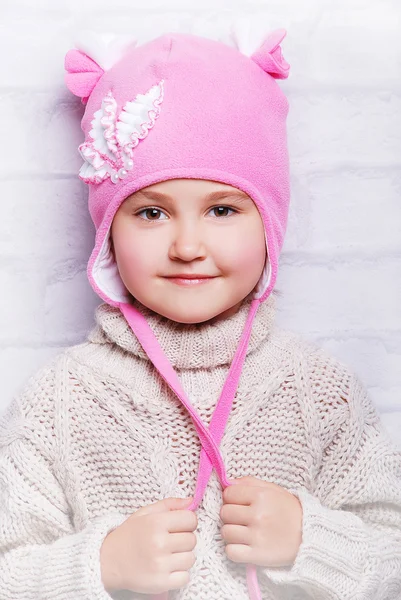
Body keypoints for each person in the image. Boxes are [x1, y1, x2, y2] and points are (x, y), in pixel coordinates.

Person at [0, 25, 401, 600]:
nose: (188, 246)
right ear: (107, 232)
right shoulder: (55, 403)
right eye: (151, 213)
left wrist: (311, 542)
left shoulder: (321, 393)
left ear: (269, 225)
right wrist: (98, 568)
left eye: (221, 208)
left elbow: (393, 553)